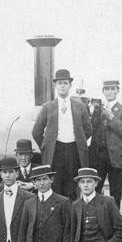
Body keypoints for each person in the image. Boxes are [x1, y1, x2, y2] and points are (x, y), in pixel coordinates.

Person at [31, 69, 93, 201]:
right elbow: (36, 131)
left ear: (70, 85)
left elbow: (88, 129)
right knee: (55, 187)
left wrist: (78, 142)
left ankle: (70, 220)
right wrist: (46, 147)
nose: (63, 86)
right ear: (55, 86)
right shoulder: (48, 107)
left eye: (65, 83)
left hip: (73, 152)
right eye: (60, 83)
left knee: (72, 188)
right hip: (55, 153)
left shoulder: (80, 106)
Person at [89, 80, 122, 207]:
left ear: (117, 90)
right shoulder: (97, 109)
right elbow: (89, 128)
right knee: (94, 191)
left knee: (115, 194)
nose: (109, 92)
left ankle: (114, 223)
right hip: (98, 158)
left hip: (116, 158)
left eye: (112, 89)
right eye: (106, 89)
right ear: (103, 91)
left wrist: (111, 117)